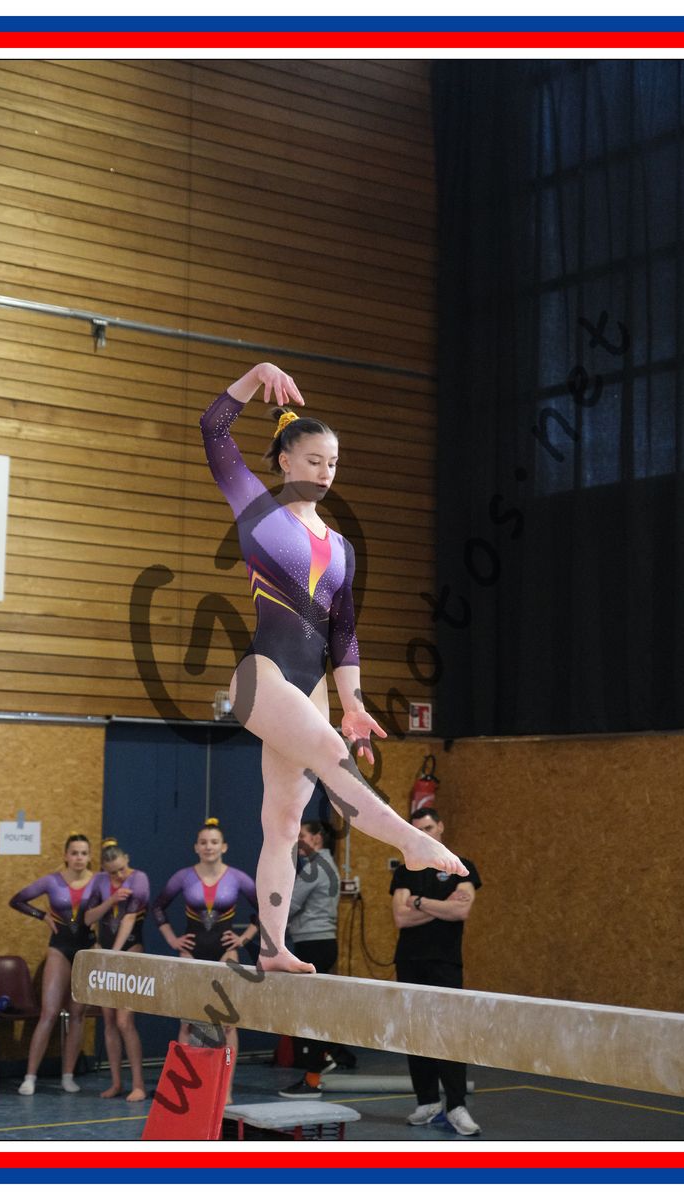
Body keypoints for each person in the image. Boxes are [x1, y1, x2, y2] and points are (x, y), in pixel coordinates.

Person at [200, 362, 468, 973]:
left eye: (333, 464)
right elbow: (213, 429)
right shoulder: (257, 511)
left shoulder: (341, 547)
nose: (325, 472)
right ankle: (410, 838)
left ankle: (272, 949)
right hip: (261, 677)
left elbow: (343, 630)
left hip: (312, 684)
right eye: (314, 460)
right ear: (285, 461)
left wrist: (353, 703)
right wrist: (255, 375)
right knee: (327, 752)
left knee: (284, 822)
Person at [389, 806, 483, 1136]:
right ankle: (427, 1101)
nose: (424, 835)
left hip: (445, 961)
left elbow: (461, 911)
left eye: (428, 828)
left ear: (440, 827)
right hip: (410, 960)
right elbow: (400, 918)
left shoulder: (461, 867)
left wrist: (418, 902)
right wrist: (441, 906)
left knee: (450, 1032)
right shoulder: (405, 871)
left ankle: (456, 1106)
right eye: (417, 830)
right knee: (415, 1032)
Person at [153, 818, 258, 1100]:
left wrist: (243, 938)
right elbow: (158, 907)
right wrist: (172, 939)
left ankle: (225, 1089)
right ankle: (186, 1087)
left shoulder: (237, 878)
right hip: (191, 953)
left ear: (224, 847)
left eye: (214, 842)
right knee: (187, 1024)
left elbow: (263, 910)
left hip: (226, 954)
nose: (208, 846)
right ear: (196, 847)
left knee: (229, 1025)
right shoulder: (183, 877)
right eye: (203, 842)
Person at [8, 833, 97, 1095]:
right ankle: (30, 1076)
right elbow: (17, 900)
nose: (79, 858)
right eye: (74, 853)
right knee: (49, 1013)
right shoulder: (52, 881)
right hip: (59, 949)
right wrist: (42, 915)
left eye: (83, 853)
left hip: (86, 950)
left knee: (77, 1015)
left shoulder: (98, 881)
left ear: (89, 856)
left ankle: (67, 1075)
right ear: (66, 856)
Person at [277, 820, 343, 1098]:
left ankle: (314, 1076)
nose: (298, 841)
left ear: (317, 838)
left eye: (301, 835)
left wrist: (265, 928)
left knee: (308, 1012)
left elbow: (290, 904)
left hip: (314, 945)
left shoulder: (316, 868)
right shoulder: (323, 865)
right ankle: (322, 1059)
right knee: (310, 1009)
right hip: (317, 944)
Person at [84, 838, 150, 1102]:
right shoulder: (99, 881)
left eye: (122, 869)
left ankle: (138, 1084)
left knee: (124, 1021)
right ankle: (116, 1083)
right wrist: (111, 900)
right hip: (107, 956)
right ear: (104, 869)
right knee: (109, 1021)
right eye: (113, 873)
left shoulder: (139, 879)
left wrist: (114, 954)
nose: (120, 875)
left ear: (127, 859)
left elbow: (130, 918)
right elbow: (88, 918)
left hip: (130, 952)